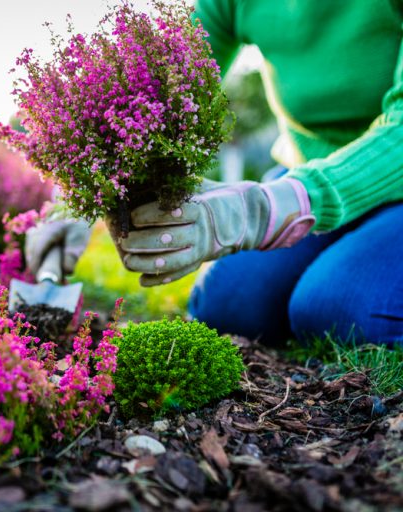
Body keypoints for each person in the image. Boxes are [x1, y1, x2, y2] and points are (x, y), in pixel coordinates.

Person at [26, 0, 403, 345]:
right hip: (304, 170)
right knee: (228, 307)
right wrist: (76, 197)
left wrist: (263, 209)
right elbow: (154, 91)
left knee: (336, 309)